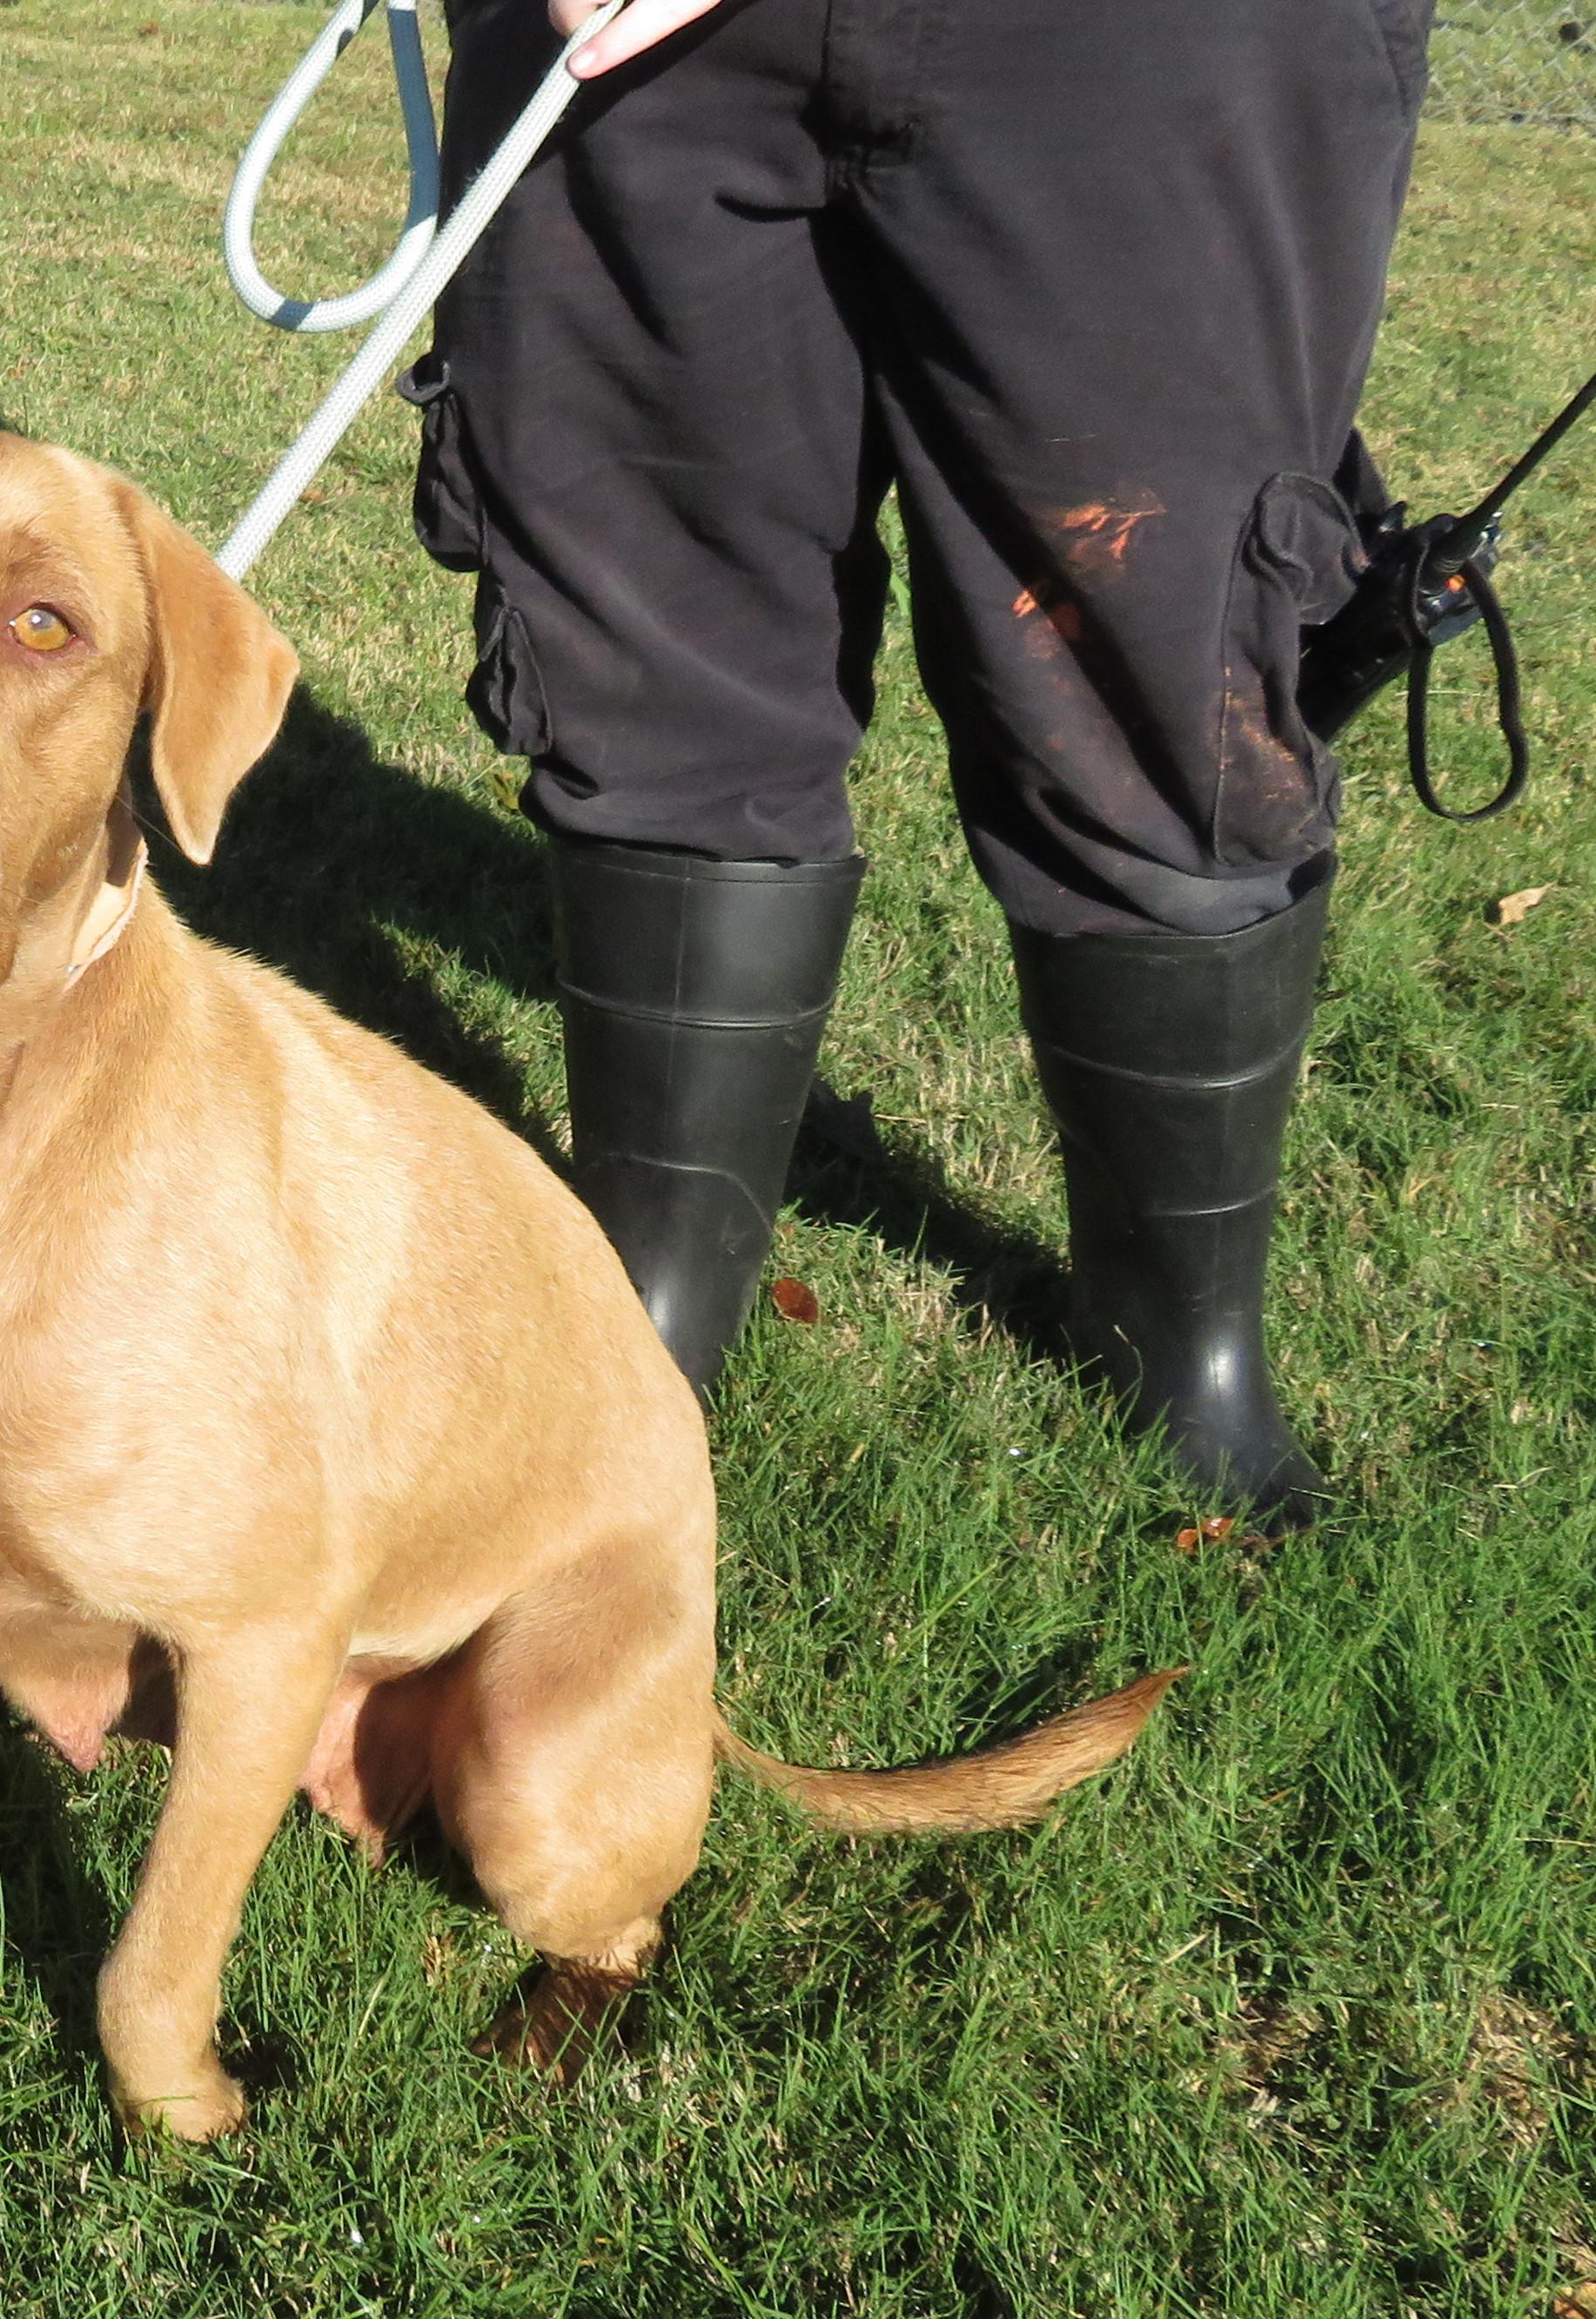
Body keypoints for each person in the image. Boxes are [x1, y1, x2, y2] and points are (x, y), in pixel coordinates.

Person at [408, 0, 1434, 1516]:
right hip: (634, 52)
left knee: (1165, 683)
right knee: (650, 652)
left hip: (1162, 56)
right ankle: (655, 1299)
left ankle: (1179, 1340)